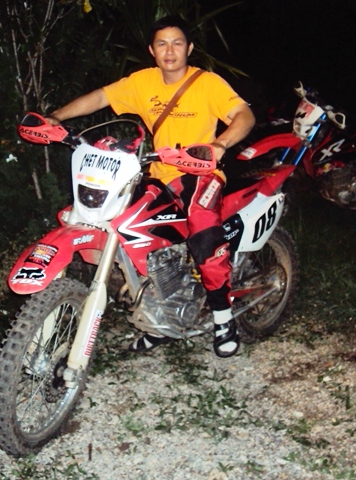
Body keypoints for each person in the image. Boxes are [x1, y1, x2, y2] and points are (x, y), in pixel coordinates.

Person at [46, 15, 255, 358]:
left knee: (203, 232)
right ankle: (162, 317)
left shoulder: (208, 83)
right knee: (127, 229)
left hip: (200, 173)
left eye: (177, 43)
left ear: (189, 48)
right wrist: (56, 118)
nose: (169, 51)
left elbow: (244, 115)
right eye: (162, 44)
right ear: (152, 50)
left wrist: (220, 144)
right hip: (157, 173)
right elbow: (99, 98)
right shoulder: (142, 82)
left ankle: (223, 316)